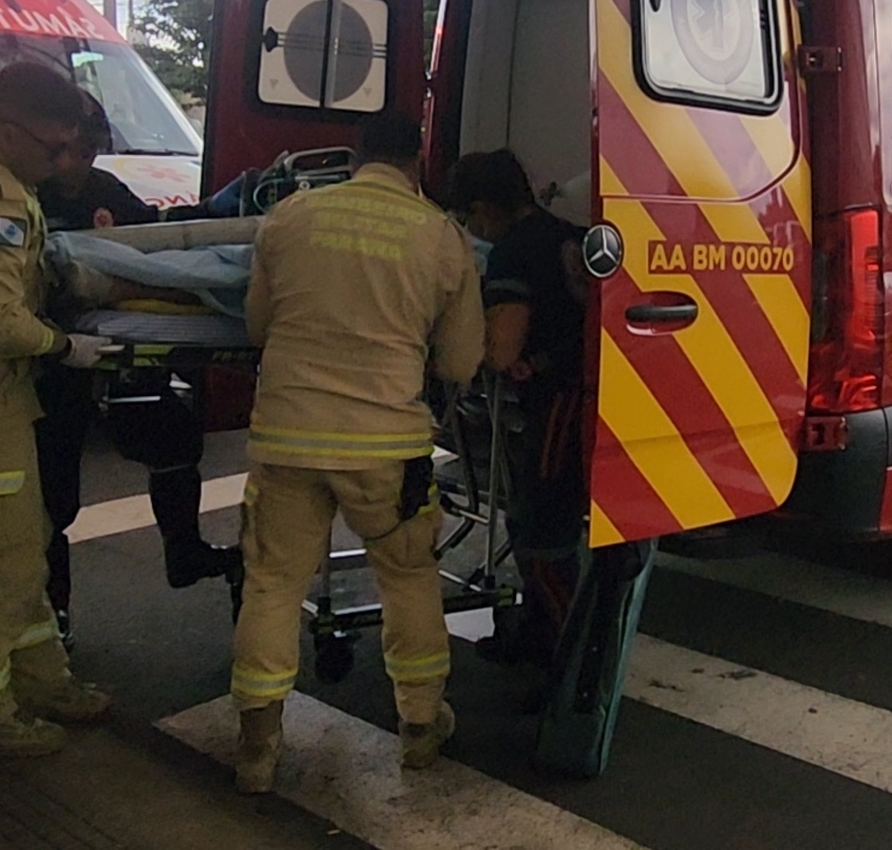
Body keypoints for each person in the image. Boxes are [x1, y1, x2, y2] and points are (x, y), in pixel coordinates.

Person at [231, 111, 484, 793]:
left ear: (354, 155)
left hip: (287, 435)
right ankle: (421, 726)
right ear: (417, 160)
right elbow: (460, 362)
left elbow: (257, 325)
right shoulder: (442, 236)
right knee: (408, 578)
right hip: (386, 447)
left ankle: (257, 744)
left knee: (273, 583)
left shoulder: (290, 217)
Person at [34, 92, 240, 649]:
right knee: (52, 498)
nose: (80, 161)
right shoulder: (26, 196)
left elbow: (153, 244)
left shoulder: (105, 191)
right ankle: (52, 612)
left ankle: (184, 550)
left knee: (172, 433)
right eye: (72, 150)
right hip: (47, 362)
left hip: (104, 351)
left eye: (89, 151)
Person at [0, 61, 112, 757]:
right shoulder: (5, 204)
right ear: (8, 131)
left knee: (28, 542)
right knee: (10, 560)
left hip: (11, 403)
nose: (64, 161)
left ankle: (43, 680)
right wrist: (64, 345)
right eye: (53, 147)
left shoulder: (19, 191)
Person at [444, 149, 588, 668]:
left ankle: (575, 661)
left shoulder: (513, 252)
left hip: (558, 401)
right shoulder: (563, 234)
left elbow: (501, 349)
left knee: (541, 530)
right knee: (540, 519)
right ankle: (538, 632)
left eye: (469, 217)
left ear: (483, 208)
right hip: (581, 388)